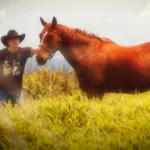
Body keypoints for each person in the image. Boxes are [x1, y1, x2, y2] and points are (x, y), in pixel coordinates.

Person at [0, 30, 39, 106]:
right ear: (8, 42)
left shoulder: (24, 51)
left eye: (17, 38)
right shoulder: (1, 53)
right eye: (12, 38)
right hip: (2, 91)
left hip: (17, 91)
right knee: (3, 115)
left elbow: (39, 49)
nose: (15, 40)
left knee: (19, 115)